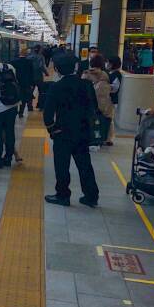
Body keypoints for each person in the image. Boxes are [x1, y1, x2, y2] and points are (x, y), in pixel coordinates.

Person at [44, 55, 100, 207]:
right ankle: (91, 196)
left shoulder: (56, 87)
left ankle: (63, 195)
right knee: (85, 164)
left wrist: (52, 129)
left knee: (62, 165)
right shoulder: (87, 84)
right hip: (82, 131)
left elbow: (48, 114)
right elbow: (94, 107)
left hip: (63, 133)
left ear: (56, 69)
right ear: (75, 68)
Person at [82, 54, 113, 146]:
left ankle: (91, 137)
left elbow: (81, 86)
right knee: (107, 118)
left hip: (92, 99)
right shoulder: (104, 74)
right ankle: (107, 139)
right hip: (105, 99)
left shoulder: (87, 73)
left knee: (90, 118)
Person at [11, 48, 34, 117]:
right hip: (26, 84)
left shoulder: (13, 62)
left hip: (16, 84)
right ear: (26, 54)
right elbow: (31, 74)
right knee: (23, 99)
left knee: (15, 98)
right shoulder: (29, 62)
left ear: (19, 53)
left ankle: (14, 113)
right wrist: (31, 84)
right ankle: (21, 113)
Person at [106, 55, 122, 146]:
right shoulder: (110, 73)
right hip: (108, 100)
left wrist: (105, 87)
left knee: (110, 119)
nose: (107, 64)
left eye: (108, 62)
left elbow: (115, 88)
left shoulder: (116, 74)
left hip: (112, 100)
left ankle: (110, 139)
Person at [29, 44, 46, 109]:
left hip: (31, 77)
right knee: (41, 91)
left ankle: (30, 106)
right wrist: (46, 73)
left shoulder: (29, 57)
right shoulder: (41, 57)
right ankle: (40, 105)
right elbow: (41, 66)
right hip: (39, 77)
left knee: (30, 92)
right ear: (40, 50)